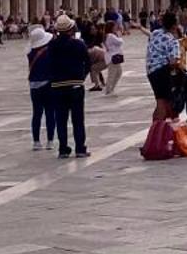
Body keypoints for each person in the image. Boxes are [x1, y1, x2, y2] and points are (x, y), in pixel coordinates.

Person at [39, 15, 92, 158]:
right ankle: (80, 148)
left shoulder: (52, 45)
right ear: (71, 29)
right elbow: (88, 63)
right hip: (75, 85)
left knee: (61, 119)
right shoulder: (79, 44)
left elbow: (48, 64)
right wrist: (81, 77)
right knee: (78, 119)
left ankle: (63, 149)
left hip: (57, 86)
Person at [25, 23, 52, 149]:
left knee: (37, 113)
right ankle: (50, 140)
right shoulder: (48, 51)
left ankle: (36, 141)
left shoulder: (30, 53)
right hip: (47, 83)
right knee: (50, 112)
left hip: (34, 85)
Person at [101, 20, 126, 94]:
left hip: (113, 57)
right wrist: (120, 35)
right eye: (114, 26)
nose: (116, 27)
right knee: (112, 74)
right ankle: (109, 90)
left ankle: (111, 88)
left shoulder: (107, 35)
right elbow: (120, 42)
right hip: (113, 57)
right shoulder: (110, 36)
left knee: (118, 72)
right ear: (111, 27)